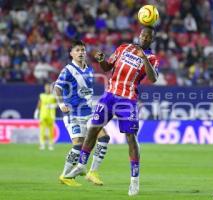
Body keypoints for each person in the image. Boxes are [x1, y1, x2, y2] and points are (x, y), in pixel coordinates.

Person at [65, 27, 159, 196]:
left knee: (130, 138)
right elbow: (107, 67)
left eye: (148, 37)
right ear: (139, 35)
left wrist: (144, 58)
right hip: (109, 96)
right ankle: (81, 166)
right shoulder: (124, 48)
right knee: (93, 128)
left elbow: (153, 78)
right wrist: (101, 60)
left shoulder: (152, 58)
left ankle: (134, 181)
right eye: (143, 35)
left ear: (152, 39)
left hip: (127, 99)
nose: (144, 38)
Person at [54, 40, 107, 187]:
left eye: (83, 50)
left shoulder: (89, 69)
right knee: (78, 145)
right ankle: (65, 176)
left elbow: (87, 92)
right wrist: (61, 103)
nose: (81, 52)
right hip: (73, 114)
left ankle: (93, 172)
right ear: (71, 53)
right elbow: (57, 88)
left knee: (104, 137)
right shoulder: (67, 70)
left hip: (89, 113)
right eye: (77, 50)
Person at [34, 83, 57, 150]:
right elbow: (39, 103)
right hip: (43, 115)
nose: (47, 89)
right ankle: (42, 144)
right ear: (44, 88)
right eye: (46, 88)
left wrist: (54, 105)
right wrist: (37, 111)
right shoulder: (42, 95)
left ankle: (50, 145)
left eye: (48, 87)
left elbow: (58, 103)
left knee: (51, 131)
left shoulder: (53, 96)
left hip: (51, 115)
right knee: (42, 130)